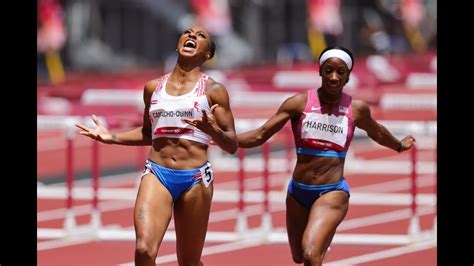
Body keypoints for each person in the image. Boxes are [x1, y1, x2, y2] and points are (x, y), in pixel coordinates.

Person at [237, 46, 416, 266]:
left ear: (348, 76)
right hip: (298, 192)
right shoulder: (299, 103)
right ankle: (320, 241)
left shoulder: (356, 109)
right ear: (320, 71)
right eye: (328, 70)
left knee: (311, 254)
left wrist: (399, 145)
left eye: (340, 72)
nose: (333, 77)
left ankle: (318, 242)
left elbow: (377, 132)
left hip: (332, 192)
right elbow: (260, 135)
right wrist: (219, 137)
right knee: (299, 256)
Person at [75, 25, 238, 266]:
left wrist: (212, 130)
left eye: (201, 36)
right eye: (188, 32)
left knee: (189, 262)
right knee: (143, 251)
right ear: (178, 44)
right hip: (158, 173)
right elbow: (148, 133)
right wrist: (112, 137)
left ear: (208, 55)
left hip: (195, 179)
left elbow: (232, 143)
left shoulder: (214, 91)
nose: (192, 35)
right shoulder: (153, 88)